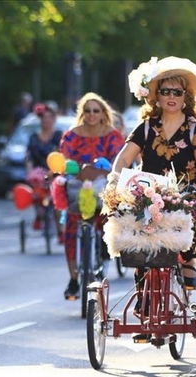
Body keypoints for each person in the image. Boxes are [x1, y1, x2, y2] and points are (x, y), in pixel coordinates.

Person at [112, 56, 196, 293]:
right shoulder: (147, 127)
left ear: (185, 97)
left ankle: (188, 259)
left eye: (177, 92)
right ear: (156, 96)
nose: (171, 97)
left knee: (190, 212)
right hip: (149, 193)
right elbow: (124, 158)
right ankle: (144, 297)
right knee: (139, 243)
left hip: (186, 192)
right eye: (166, 91)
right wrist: (114, 177)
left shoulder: (195, 128)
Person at [60, 92, 125, 300]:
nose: (91, 115)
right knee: (70, 229)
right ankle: (73, 278)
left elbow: (118, 162)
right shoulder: (71, 135)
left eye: (96, 111)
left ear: (103, 113)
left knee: (109, 220)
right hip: (77, 186)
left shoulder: (113, 135)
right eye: (87, 111)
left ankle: (105, 258)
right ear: (82, 113)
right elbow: (63, 161)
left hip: (105, 187)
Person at [25, 102, 64, 232]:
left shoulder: (59, 136)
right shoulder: (34, 137)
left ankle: (60, 230)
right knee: (36, 192)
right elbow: (29, 157)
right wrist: (30, 172)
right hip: (38, 172)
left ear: (54, 119)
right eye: (44, 118)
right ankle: (39, 214)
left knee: (57, 198)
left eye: (50, 118)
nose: (47, 120)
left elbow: (63, 154)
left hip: (55, 172)